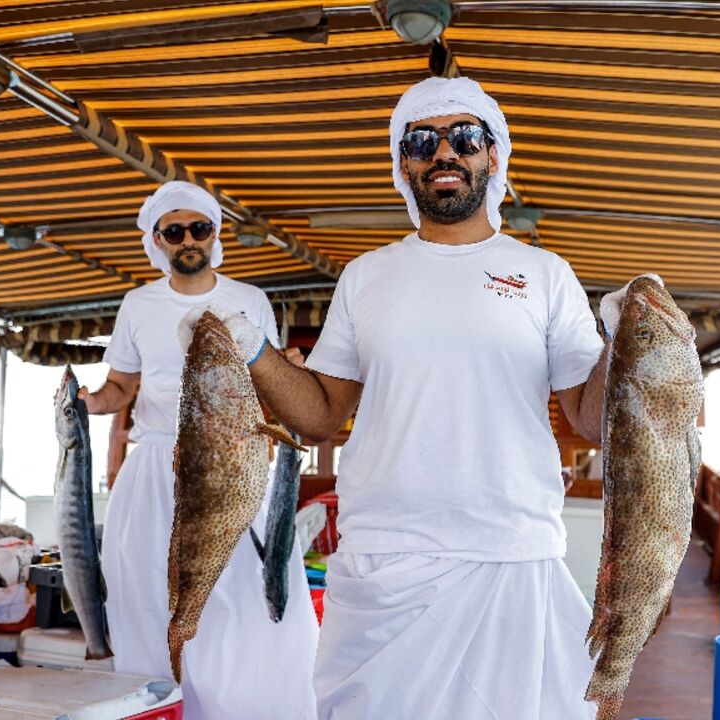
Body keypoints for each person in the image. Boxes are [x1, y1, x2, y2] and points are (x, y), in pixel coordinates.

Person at [186, 77, 646, 719]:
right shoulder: (366, 275)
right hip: (381, 557)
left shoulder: (545, 274)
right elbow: (319, 416)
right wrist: (254, 348)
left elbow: (591, 419)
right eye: (423, 141)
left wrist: (626, 344)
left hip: (508, 551)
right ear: (404, 164)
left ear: (494, 154)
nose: (444, 154)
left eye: (465, 138)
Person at [79, 181, 318, 720]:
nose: (188, 239)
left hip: (234, 463)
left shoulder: (249, 299)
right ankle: (162, 705)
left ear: (215, 234)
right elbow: (120, 387)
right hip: (155, 471)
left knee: (251, 599)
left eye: (199, 228)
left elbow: (270, 381)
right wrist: (86, 403)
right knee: (144, 595)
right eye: (174, 231)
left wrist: (294, 376)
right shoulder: (137, 304)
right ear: (157, 241)